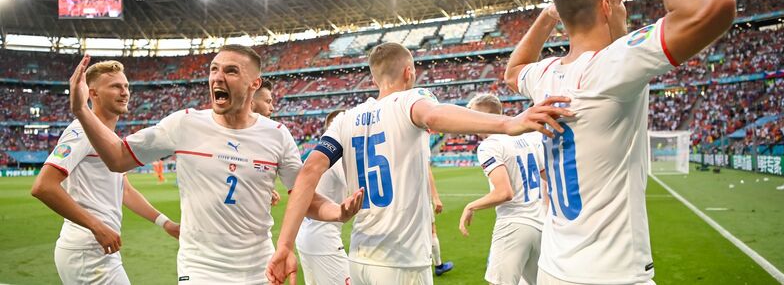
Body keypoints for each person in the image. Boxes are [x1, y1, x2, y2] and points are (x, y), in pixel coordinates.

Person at [268, 42, 573, 285]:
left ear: (374, 78)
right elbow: (432, 115)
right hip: (402, 262)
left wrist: (284, 245)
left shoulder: (345, 120)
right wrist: (509, 123)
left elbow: (309, 171)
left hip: (359, 258)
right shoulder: (410, 100)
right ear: (409, 72)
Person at [504, 0, 735, 283]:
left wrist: (552, 13)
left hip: (554, 266)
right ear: (605, 7)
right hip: (611, 272)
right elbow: (713, 6)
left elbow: (514, 71)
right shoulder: (611, 66)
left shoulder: (545, 74)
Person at [66, 45, 342, 284]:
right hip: (200, 270)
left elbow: (303, 194)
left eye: (231, 71)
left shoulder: (277, 134)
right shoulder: (184, 124)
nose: (217, 77)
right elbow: (117, 158)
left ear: (254, 84)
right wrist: (81, 110)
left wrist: (336, 211)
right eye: (213, 69)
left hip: (260, 267)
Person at [31, 60, 180, 284]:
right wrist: (97, 227)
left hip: (95, 249)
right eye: (115, 86)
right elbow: (43, 186)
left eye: (126, 86)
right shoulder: (82, 131)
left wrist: (165, 223)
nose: (124, 92)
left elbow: (125, 191)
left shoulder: (108, 138)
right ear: (93, 94)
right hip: (87, 251)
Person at [459, 94, 547, 285]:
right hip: (540, 224)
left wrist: (471, 206)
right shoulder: (526, 138)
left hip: (513, 225)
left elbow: (504, 193)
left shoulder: (489, 145)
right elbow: (546, 177)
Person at [295, 109, 352, 285]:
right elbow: (358, 185)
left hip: (306, 234)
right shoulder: (334, 158)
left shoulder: (318, 155)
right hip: (323, 238)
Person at [250, 79, 284, 207]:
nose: (272, 108)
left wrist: (258, 190)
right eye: (268, 102)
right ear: (251, 103)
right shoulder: (221, 134)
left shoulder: (274, 136)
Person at [428, 166, 454, 276]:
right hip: (418, 197)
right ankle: (439, 266)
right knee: (431, 230)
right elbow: (426, 169)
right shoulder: (419, 148)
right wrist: (435, 197)